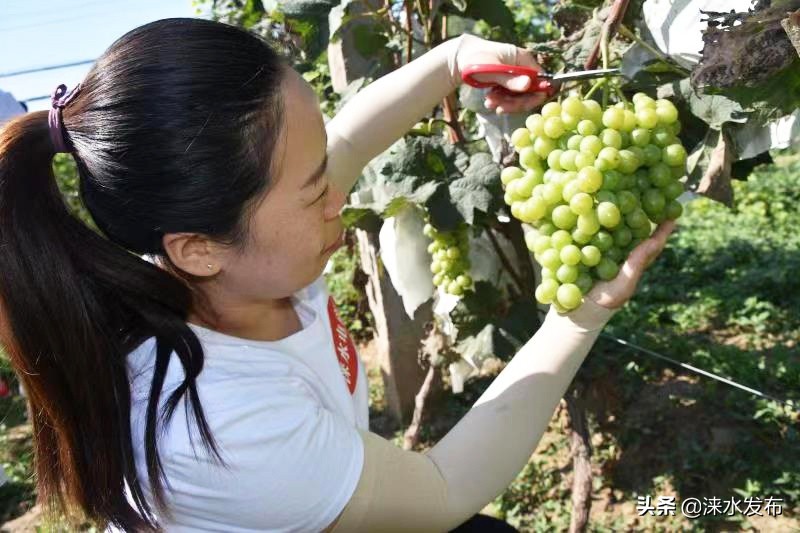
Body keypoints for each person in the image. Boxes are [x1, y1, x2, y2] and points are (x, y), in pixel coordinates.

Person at [0, 17, 675, 533]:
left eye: (326, 167)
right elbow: (440, 491)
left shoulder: (245, 259)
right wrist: (579, 316)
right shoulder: (217, 424)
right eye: (315, 183)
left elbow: (348, 140)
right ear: (199, 247)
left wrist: (450, 61)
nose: (341, 195)